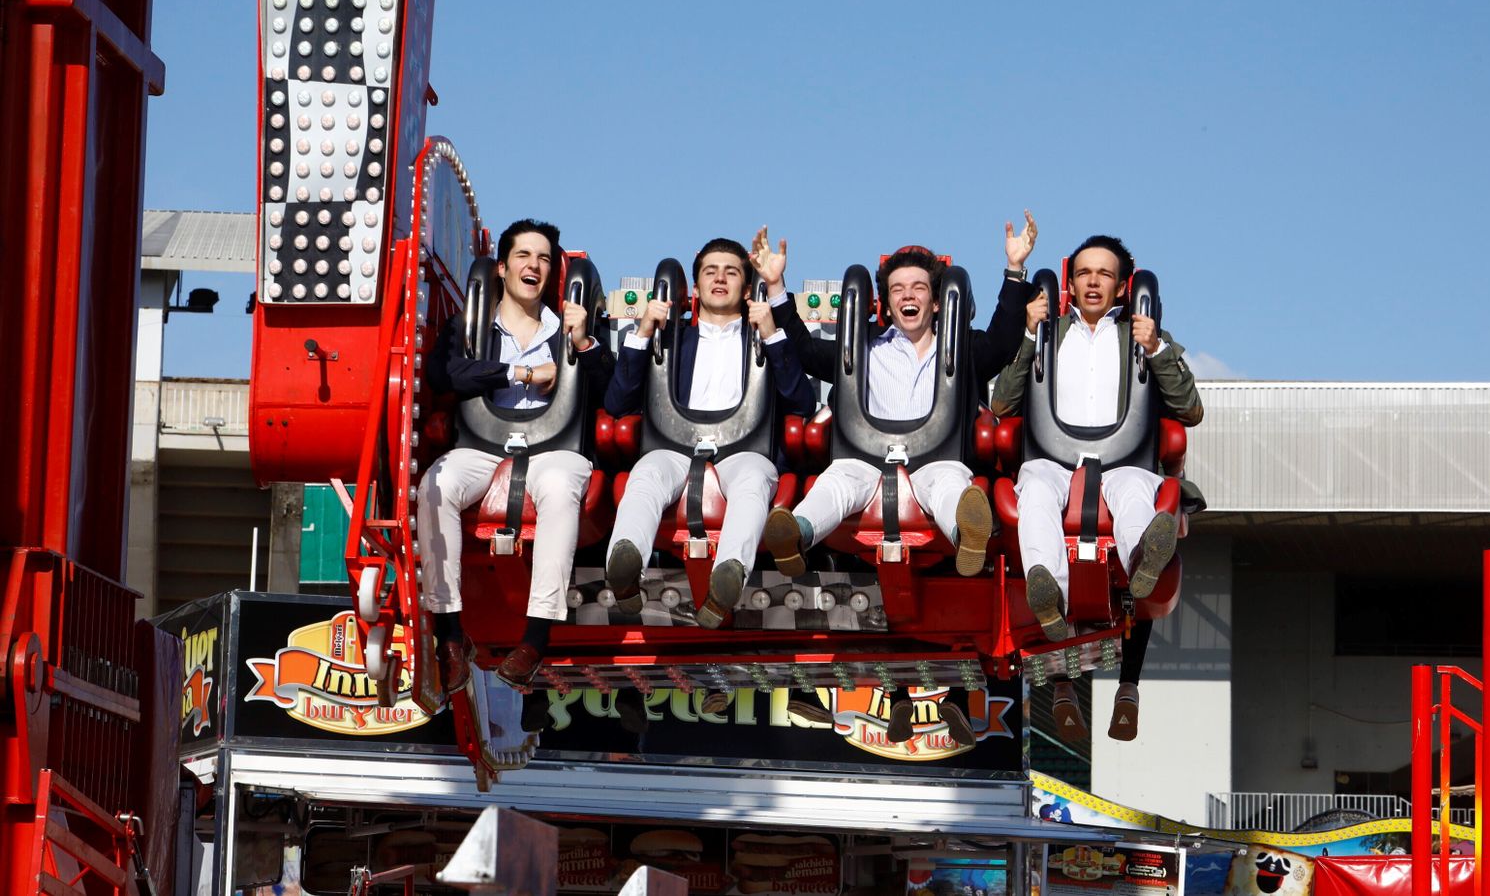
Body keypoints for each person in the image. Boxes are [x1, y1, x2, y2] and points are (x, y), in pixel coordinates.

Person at [757, 215, 1038, 745]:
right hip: (869, 462)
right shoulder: (863, 347)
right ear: (885, 301)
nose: (909, 297)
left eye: (920, 288)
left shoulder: (961, 349)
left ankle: (967, 536)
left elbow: (1003, 342)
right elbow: (804, 349)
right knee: (838, 481)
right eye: (898, 289)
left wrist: (1014, 269)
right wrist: (775, 287)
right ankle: (794, 534)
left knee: (950, 484)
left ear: (936, 300)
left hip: (932, 461)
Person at [990, 234, 1202, 741]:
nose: (1092, 281)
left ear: (1122, 286)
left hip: (1123, 463)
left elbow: (1191, 408)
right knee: (1035, 488)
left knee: (1134, 495)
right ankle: (1050, 592)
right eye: (1084, 272)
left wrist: (1158, 349)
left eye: (1104, 274)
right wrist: (1026, 337)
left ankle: (1142, 564)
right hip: (1054, 461)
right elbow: (1001, 404)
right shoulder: (1048, 332)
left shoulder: (1143, 333)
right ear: (1070, 282)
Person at [418, 219, 614, 695]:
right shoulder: (472, 325)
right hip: (483, 447)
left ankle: (536, 636)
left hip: (554, 448)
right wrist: (521, 372)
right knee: (434, 486)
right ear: (503, 268)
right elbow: (447, 375)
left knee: (559, 488)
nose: (534, 266)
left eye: (544, 259)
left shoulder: (569, 325)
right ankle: (448, 633)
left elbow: (611, 385)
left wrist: (581, 344)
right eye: (524, 256)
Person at [602, 236, 816, 629]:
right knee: (647, 473)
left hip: (744, 449)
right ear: (695, 288)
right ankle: (625, 564)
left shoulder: (762, 336)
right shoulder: (673, 340)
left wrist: (772, 335)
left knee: (754, 478)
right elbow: (617, 402)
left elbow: (801, 402)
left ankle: (727, 579)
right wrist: (644, 330)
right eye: (710, 272)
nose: (720, 279)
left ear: (747, 288)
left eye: (731, 272)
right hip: (673, 446)